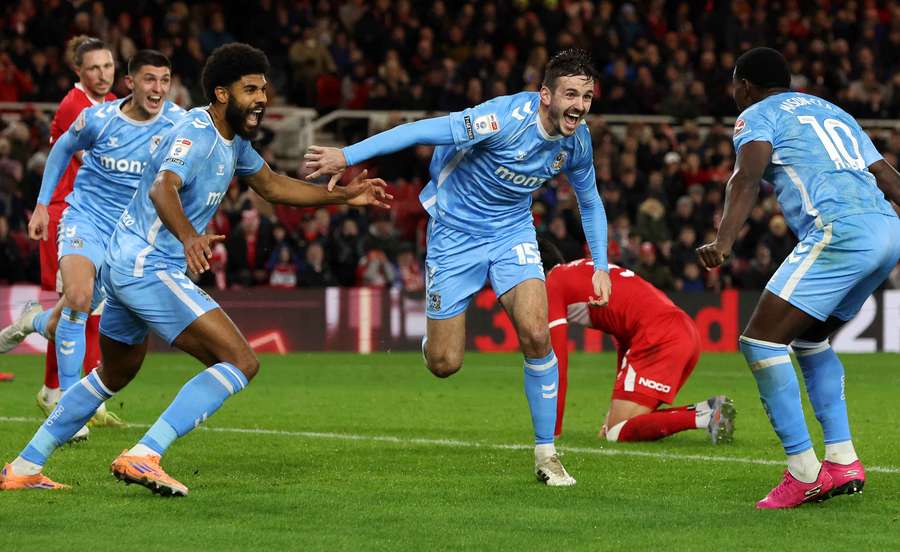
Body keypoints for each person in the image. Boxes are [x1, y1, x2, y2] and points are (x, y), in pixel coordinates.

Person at [0, 43, 391, 494]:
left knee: (115, 373)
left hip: (126, 263)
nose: (262, 98)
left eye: (264, 89)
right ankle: (144, 455)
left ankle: (25, 465)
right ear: (222, 94)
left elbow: (272, 186)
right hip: (149, 266)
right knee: (241, 361)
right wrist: (189, 237)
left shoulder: (234, 140)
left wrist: (343, 196)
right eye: (251, 89)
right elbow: (163, 189)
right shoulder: (196, 133)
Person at [305, 48, 611, 486]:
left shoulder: (577, 142)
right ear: (545, 95)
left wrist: (600, 264)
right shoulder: (501, 119)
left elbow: (590, 200)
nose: (579, 106)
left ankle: (547, 454)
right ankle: (435, 339)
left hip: (512, 232)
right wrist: (347, 155)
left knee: (537, 333)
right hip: (454, 232)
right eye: (570, 95)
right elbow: (417, 131)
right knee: (445, 363)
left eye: (586, 96)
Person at [697, 47, 900, 509]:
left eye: (734, 84)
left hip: (841, 230)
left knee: (760, 342)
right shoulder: (834, 111)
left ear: (744, 84)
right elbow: (887, 176)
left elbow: (745, 178)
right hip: (887, 230)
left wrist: (724, 241)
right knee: (810, 340)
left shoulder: (756, 114)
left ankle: (804, 471)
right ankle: (843, 460)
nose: (734, 94)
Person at [0, 50, 182, 440]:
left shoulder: (178, 123)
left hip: (130, 235)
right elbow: (62, 148)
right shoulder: (98, 118)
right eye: (150, 80)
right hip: (86, 220)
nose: (158, 89)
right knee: (79, 298)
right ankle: (68, 407)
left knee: (76, 315)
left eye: (165, 80)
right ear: (131, 83)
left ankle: (32, 321)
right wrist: (41, 207)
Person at [540, 239, 734, 444]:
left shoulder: (552, 282)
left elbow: (556, 364)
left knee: (617, 432)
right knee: (619, 426)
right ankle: (708, 410)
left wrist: (553, 431)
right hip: (683, 332)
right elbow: (624, 339)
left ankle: (705, 417)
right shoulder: (584, 269)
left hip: (659, 337)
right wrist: (613, 407)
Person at [28, 36, 116, 412]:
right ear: (78, 70)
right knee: (78, 307)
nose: (102, 74)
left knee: (91, 307)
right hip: (70, 215)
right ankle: (74, 400)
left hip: (101, 216)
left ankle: (59, 392)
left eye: (108, 66)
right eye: (93, 67)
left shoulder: (113, 105)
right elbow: (99, 161)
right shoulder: (73, 106)